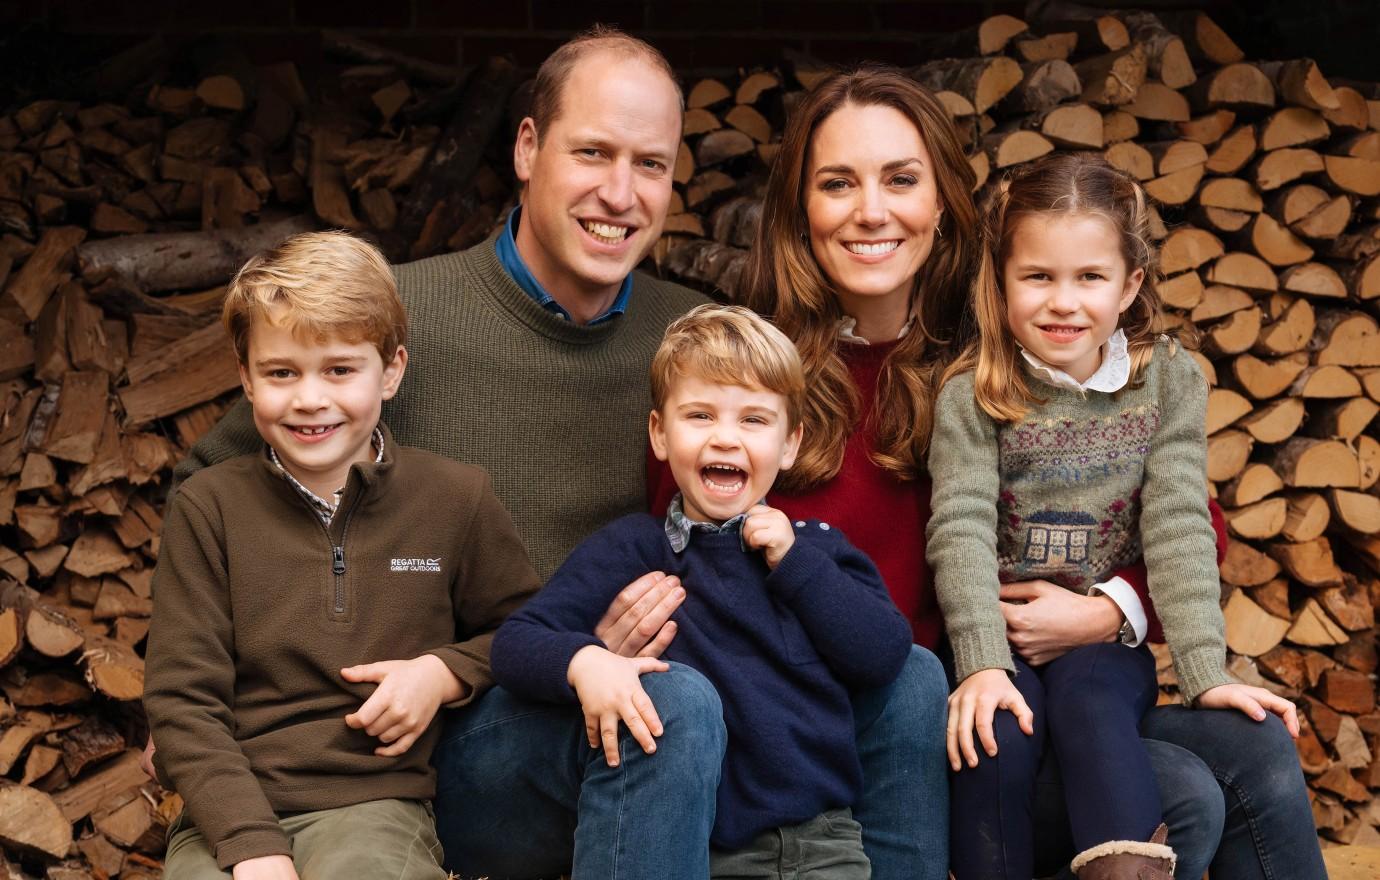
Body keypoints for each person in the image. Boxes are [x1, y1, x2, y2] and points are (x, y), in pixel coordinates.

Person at [159, 28, 949, 880]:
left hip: (651, 719)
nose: (620, 192)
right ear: (528, 148)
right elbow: (226, 486)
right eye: (593, 153)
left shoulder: (685, 339)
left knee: (906, 675)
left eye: (649, 164)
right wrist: (199, 711)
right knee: (670, 701)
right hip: (476, 733)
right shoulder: (401, 323)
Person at [731, 64, 1327, 880]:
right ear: (802, 205)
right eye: (838, 183)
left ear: (942, 202)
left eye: (900, 179)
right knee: (1186, 792)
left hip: (1066, 669)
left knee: (1255, 752)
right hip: (908, 717)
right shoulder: (757, 378)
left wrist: (1107, 611)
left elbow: (1194, 521)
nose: (872, 210)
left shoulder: (1000, 349)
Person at [926, 154, 1302, 879]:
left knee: (1093, 705)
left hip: (1100, 648)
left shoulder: (1167, 380)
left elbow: (1180, 522)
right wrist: (979, 663)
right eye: (1037, 276)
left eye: (1089, 278)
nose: (1063, 301)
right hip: (996, 634)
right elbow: (961, 524)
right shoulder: (973, 394)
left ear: (1129, 285)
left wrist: (1204, 671)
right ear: (1000, 282)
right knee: (993, 735)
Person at [143, 231, 542, 879]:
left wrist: (442, 672)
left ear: (391, 371)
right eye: (281, 372)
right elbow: (183, 701)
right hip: (226, 813)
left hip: (373, 805)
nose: (309, 399)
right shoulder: (209, 508)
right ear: (245, 378)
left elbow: (526, 632)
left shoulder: (454, 499)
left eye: (339, 369)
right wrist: (251, 846)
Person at [493, 304, 913, 878]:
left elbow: (886, 653)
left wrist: (795, 563)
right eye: (700, 415)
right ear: (660, 434)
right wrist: (587, 662)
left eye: (754, 421)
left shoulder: (817, 551)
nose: (725, 439)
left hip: (825, 841)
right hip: (704, 845)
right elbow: (517, 642)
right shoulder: (635, 550)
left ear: (790, 445)